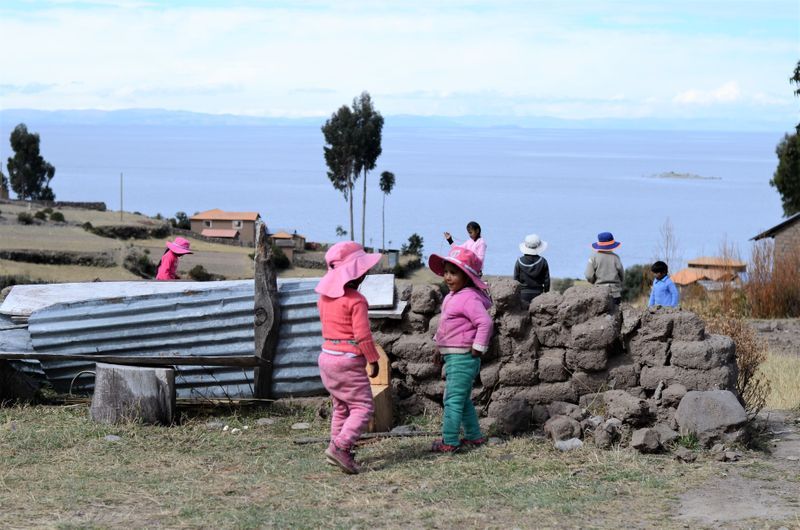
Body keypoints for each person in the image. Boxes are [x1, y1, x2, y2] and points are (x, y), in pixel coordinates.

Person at [314, 241, 383, 474]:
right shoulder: (357, 301)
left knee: (341, 406)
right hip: (348, 360)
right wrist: (373, 360)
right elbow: (362, 336)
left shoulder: (323, 298)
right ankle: (340, 447)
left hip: (326, 358)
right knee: (363, 407)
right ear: (359, 273)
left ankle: (337, 447)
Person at [428, 246, 494, 452]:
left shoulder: (468, 298)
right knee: (462, 399)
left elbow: (485, 323)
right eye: (446, 272)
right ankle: (474, 437)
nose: (448, 277)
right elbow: (446, 326)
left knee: (452, 400)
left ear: (466, 276)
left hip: (463, 357)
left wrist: (478, 348)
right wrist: (440, 348)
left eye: (453, 273)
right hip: (452, 355)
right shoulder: (451, 297)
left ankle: (450, 441)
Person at [585, 232, 625, 304]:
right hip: (615, 294)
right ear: (612, 245)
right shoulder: (616, 258)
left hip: (599, 293)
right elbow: (622, 275)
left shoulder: (593, 258)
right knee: (615, 314)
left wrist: (594, 281)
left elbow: (588, 275)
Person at [514, 234, 550, 305]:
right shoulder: (543, 261)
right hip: (538, 294)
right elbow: (547, 281)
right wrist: (546, 294)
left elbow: (515, 280)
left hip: (523, 294)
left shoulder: (519, 261)